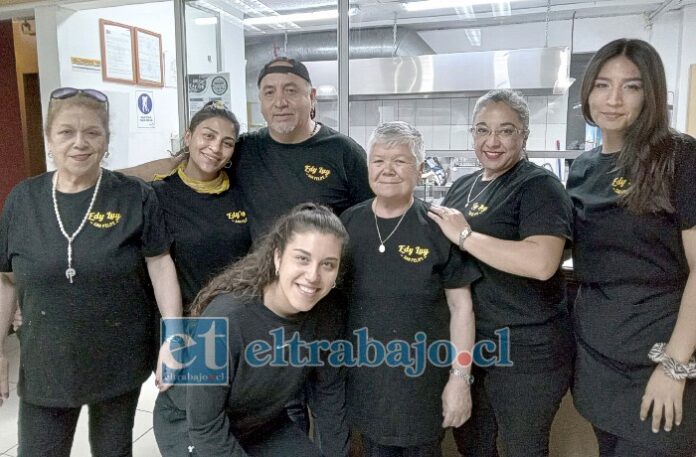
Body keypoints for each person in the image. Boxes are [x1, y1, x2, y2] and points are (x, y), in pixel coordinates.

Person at [0, 88, 182, 457]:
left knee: (113, 451)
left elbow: (160, 265)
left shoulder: (135, 196)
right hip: (46, 363)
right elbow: (6, 278)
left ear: (107, 140)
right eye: (67, 132)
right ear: (49, 139)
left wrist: (173, 336)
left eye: (93, 132)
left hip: (119, 358)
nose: (80, 143)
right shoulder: (23, 200)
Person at [565, 38, 696, 456]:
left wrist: (674, 368)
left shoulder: (679, 157)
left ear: (651, 93)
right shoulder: (584, 168)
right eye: (602, 85)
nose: (614, 100)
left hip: (659, 362)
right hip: (597, 361)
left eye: (632, 86)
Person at [427, 89, 574, 457]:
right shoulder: (463, 184)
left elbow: (541, 263)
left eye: (505, 131)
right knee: (472, 442)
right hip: (474, 345)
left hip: (527, 350)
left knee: (522, 447)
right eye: (481, 130)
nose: (491, 142)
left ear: (524, 134)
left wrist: (465, 235)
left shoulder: (538, 187)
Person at [340, 121, 480, 456]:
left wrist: (460, 379)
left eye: (400, 161)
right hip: (366, 384)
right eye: (378, 160)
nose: (387, 169)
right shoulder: (346, 224)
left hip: (423, 384)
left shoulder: (438, 226)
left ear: (419, 170)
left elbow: (462, 308)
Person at [123, 57, 373, 239]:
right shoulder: (246, 149)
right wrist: (103, 178)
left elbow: (373, 223)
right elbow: (181, 164)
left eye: (291, 90)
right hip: (259, 294)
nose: (280, 102)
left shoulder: (344, 153)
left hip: (322, 290)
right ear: (261, 101)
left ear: (312, 96)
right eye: (269, 92)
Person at [185, 203, 350, 456]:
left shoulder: (327, 315)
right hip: (193, 427)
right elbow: (204, 427)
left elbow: (330, 395)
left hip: (263, 424)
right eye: (302, 258)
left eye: (328, 264)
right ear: (277, 257)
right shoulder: (225, 318)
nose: (313, 276)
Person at [150, 101, 252, 457]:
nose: (216, 148)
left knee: (232, 416)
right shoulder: (159, 195)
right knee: (191, 421)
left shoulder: (242, 192)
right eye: (208, 136)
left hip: (241, 321)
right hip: (192, 325)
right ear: (189, 136)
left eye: (227, 142)